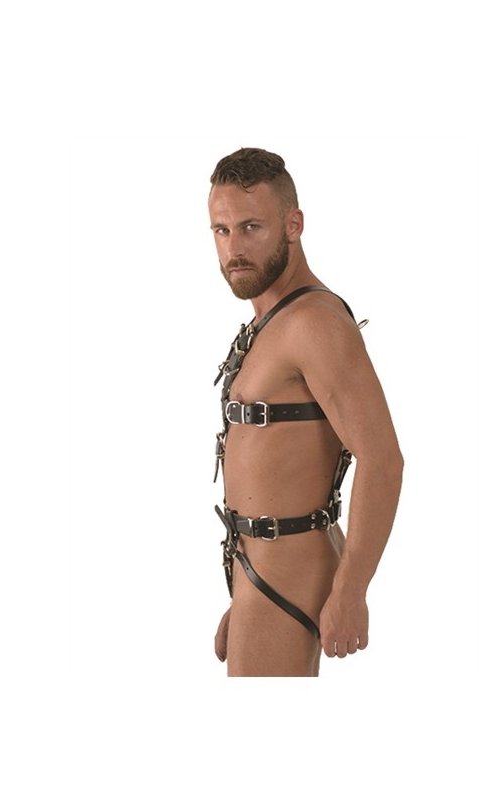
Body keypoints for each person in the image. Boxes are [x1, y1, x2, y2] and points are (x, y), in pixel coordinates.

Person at [209, 147, 403, 677]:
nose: (234, 248)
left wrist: (352, 589)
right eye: (222, 230)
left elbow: (383, 459)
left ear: (293, 225)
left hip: (285, 578)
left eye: (251, 227)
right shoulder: (271, 321)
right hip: (261, 575)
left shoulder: (313, 323)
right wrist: (244, 597)